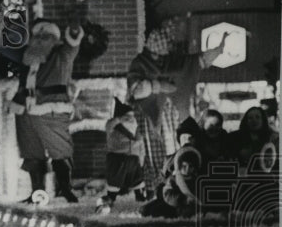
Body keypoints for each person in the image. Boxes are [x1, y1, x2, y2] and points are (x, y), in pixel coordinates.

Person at [0, 15, 84, 203]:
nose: (40, 40)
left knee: (60, 150)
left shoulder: (61, 54)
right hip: (25, 109)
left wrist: (74, 30)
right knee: (31, 152)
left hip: (51, 109)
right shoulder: (26, 55)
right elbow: (2, 47)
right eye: (38, 36)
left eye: (46, 36)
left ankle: (65, 189)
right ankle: (37, 192)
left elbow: (73, 44)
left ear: (54, 39)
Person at [127, 21, 230, 194]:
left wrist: (219, 48)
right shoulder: (140, 63)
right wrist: (156, 85)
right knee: (154, 156)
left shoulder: (174, 60)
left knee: (180, 151)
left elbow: (199, 61)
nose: (161, 58)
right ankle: (157, 191)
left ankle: (182, 188)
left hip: (177, 116)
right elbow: (135, 89)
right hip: (152, 118)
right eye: (157, 54)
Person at [101, 99, 147, 209]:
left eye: (131, 117)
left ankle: (139, 194)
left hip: (132, 157)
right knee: (115, 180)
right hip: (118, 156)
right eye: (127, 117)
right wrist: (119, 119)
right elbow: (109, 126)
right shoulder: (113, 124)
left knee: (136, 178)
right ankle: (110, 198)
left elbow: (140, 141)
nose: (130, 119)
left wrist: (141, 158)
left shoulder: (135, 126)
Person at [227, 106, 279, 171]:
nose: (254, 120)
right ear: (246, 121)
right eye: (250, 118)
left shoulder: (274, 137)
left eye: (257, 117)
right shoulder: (235, 137)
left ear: (263, 120)